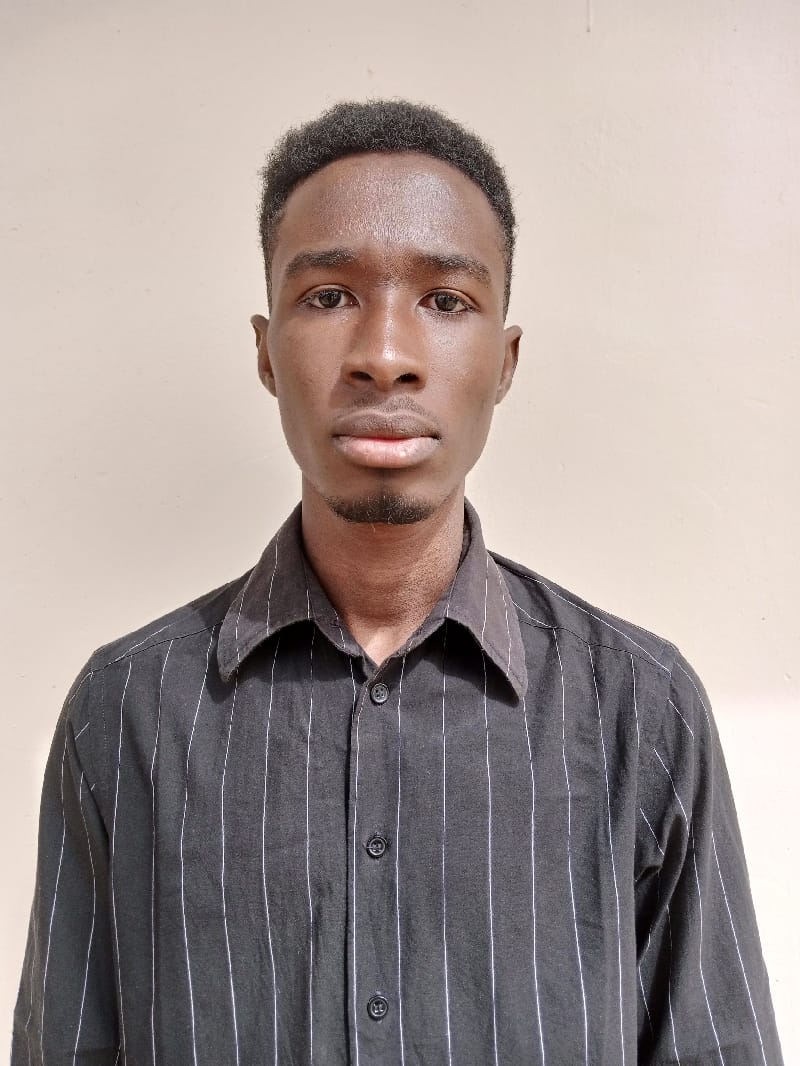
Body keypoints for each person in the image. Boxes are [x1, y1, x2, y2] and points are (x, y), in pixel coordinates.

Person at [12, 100, 783, 1066]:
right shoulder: (125, 711)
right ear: (266, 352)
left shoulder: (641, 709)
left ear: (505, 362)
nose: (384, 355)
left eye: (445, 301)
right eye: (330, 295)